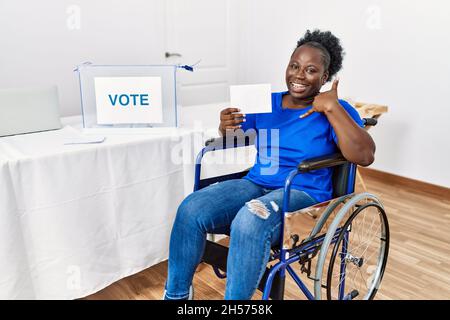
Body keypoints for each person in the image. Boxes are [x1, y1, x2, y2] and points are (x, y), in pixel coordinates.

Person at [164, 29, 375, 300]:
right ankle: (177, 295)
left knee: (250, 220)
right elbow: (233, 137)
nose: (299, 75)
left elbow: (365, 155)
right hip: (257, 183)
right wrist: (224, 126)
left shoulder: (337, 108)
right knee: (191, 208)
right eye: (294, 66)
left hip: (303, 194)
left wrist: (333, 108)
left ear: (325, 77)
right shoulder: (266, 102)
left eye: (311, 70)